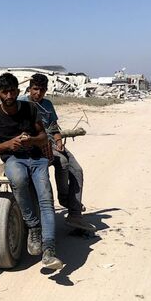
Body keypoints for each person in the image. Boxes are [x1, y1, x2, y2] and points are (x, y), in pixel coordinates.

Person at [0, 72, 63, 270]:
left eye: (12, 91)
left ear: (18, 91)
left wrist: (31, 140)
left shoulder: (29, 108)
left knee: (45, 198)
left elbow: (43, 137)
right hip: (14, 159)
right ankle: (33, 226)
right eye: (4, 92)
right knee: (18, 180)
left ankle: (49, 250)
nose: (9, 96)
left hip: (37, 159)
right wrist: (10, 144)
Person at [20, 73, 95, 232]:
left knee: (77, 170)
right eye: (35, 89)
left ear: (46, 90)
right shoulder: (21, 103)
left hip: (52, 143)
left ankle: (74, 213)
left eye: (41, 90)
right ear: (29, 88)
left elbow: (54, 128)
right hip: (36, 144)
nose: (38, 93)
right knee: (62, 162)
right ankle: (64, 198)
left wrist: (59, 141)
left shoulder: (47, 104)